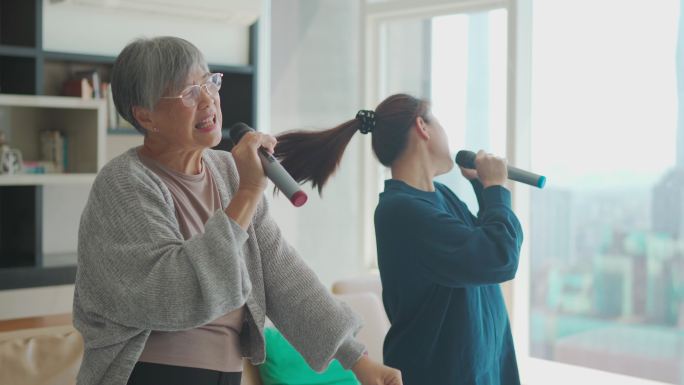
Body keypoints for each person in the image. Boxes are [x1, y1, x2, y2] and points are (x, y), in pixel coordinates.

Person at [72, 36, 402, 385]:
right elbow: (173, 293)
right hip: (151, 374)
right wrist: (247, 192)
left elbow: (284, 275)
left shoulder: (228, 171)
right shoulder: (124, 183)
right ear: (146, 116)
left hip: (225, 374)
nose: (208, 100)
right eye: (188, 93)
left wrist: (358, 360)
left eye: (209, 82)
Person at [274, 93, 524, 385]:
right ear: (422, 126)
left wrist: (484, 188)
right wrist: (494, 188)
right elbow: (499, 257)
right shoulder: (400, 211)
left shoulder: (439, 197)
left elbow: (485, 250)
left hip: (485, 371)